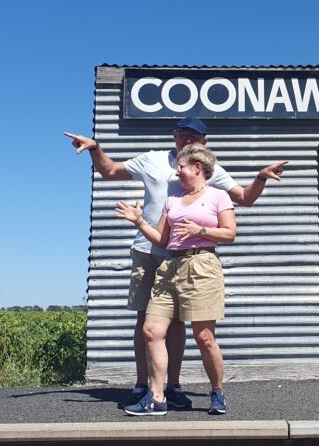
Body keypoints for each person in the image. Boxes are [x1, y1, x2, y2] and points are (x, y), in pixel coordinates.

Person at [64, 118, 287, 412]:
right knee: (146, 321)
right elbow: (109, 170)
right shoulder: (153, 160)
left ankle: (173, 387)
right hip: (149, 249)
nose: (188, 141)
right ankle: (144, 386)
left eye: (194, 137)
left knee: (180, 324)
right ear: (175, 135)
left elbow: (244, 198)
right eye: (183, 135)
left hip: (185, 257)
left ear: (203, 144)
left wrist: (260, 177)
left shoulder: (209, 171)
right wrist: (96, 148)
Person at [116, 144, 234, 416]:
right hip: (169, 266)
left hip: (202, 265)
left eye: (181, 167)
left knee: (204, 337)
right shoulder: (173, 201)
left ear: (197, 168)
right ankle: (156, 398)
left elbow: (230, 233)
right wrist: (139, 223)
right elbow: (162, 239)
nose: (177, 171)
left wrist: (202, 229)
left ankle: (217, 392)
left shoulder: (217, 196)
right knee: (151, 330)